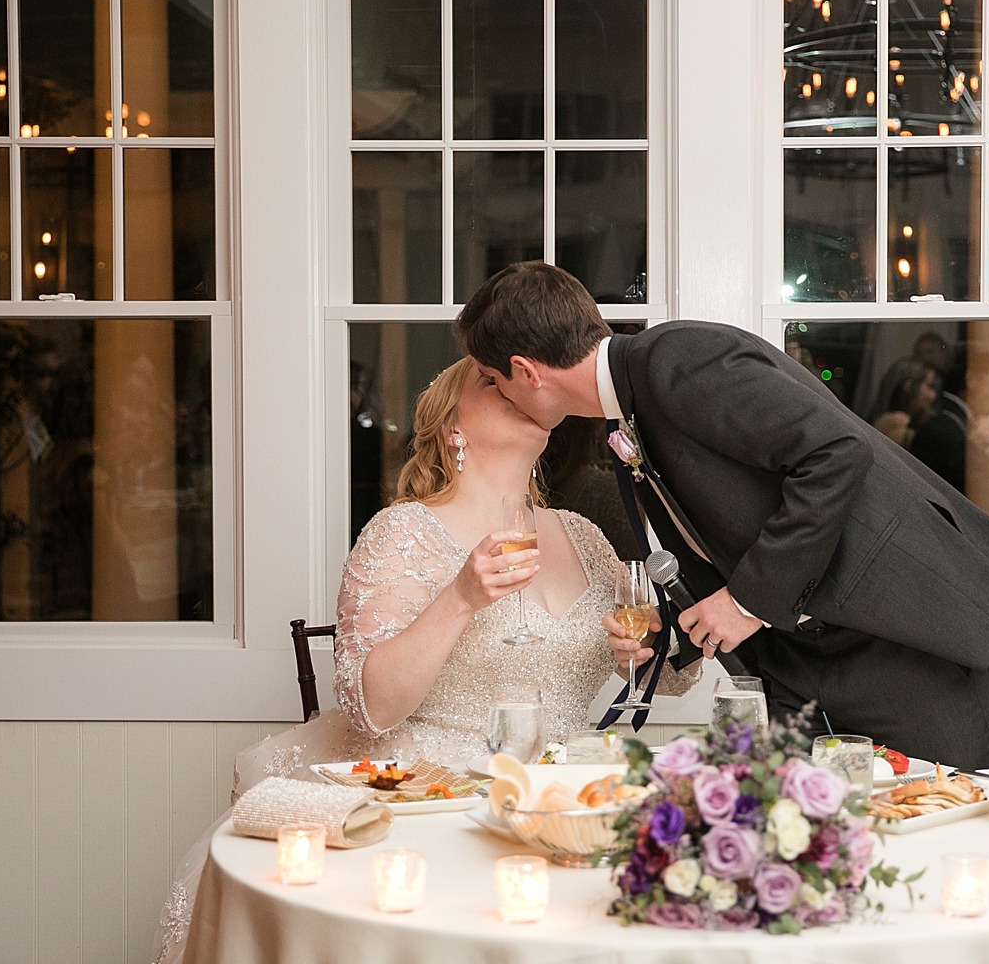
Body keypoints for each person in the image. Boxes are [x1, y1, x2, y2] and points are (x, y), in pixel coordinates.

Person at [149, 355, 698, 964]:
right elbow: (370, 708)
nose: (513, 385)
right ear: (449, 427)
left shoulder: (583, 534)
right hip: (436, 798)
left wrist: (641, 647)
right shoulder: (401, 532)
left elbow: (659, 673)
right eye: (489, 381)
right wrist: (460, 597)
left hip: (566, 801)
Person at [456, 261, 989, 770]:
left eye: (491, 379)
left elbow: (835, 455)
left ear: (525, 370)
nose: (498, 395)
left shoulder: (677, 359)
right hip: (809, 665)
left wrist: (745, 602)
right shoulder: (626, 411)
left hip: (915, 647)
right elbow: (722, 532)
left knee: (945, 842)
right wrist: (669, 634)